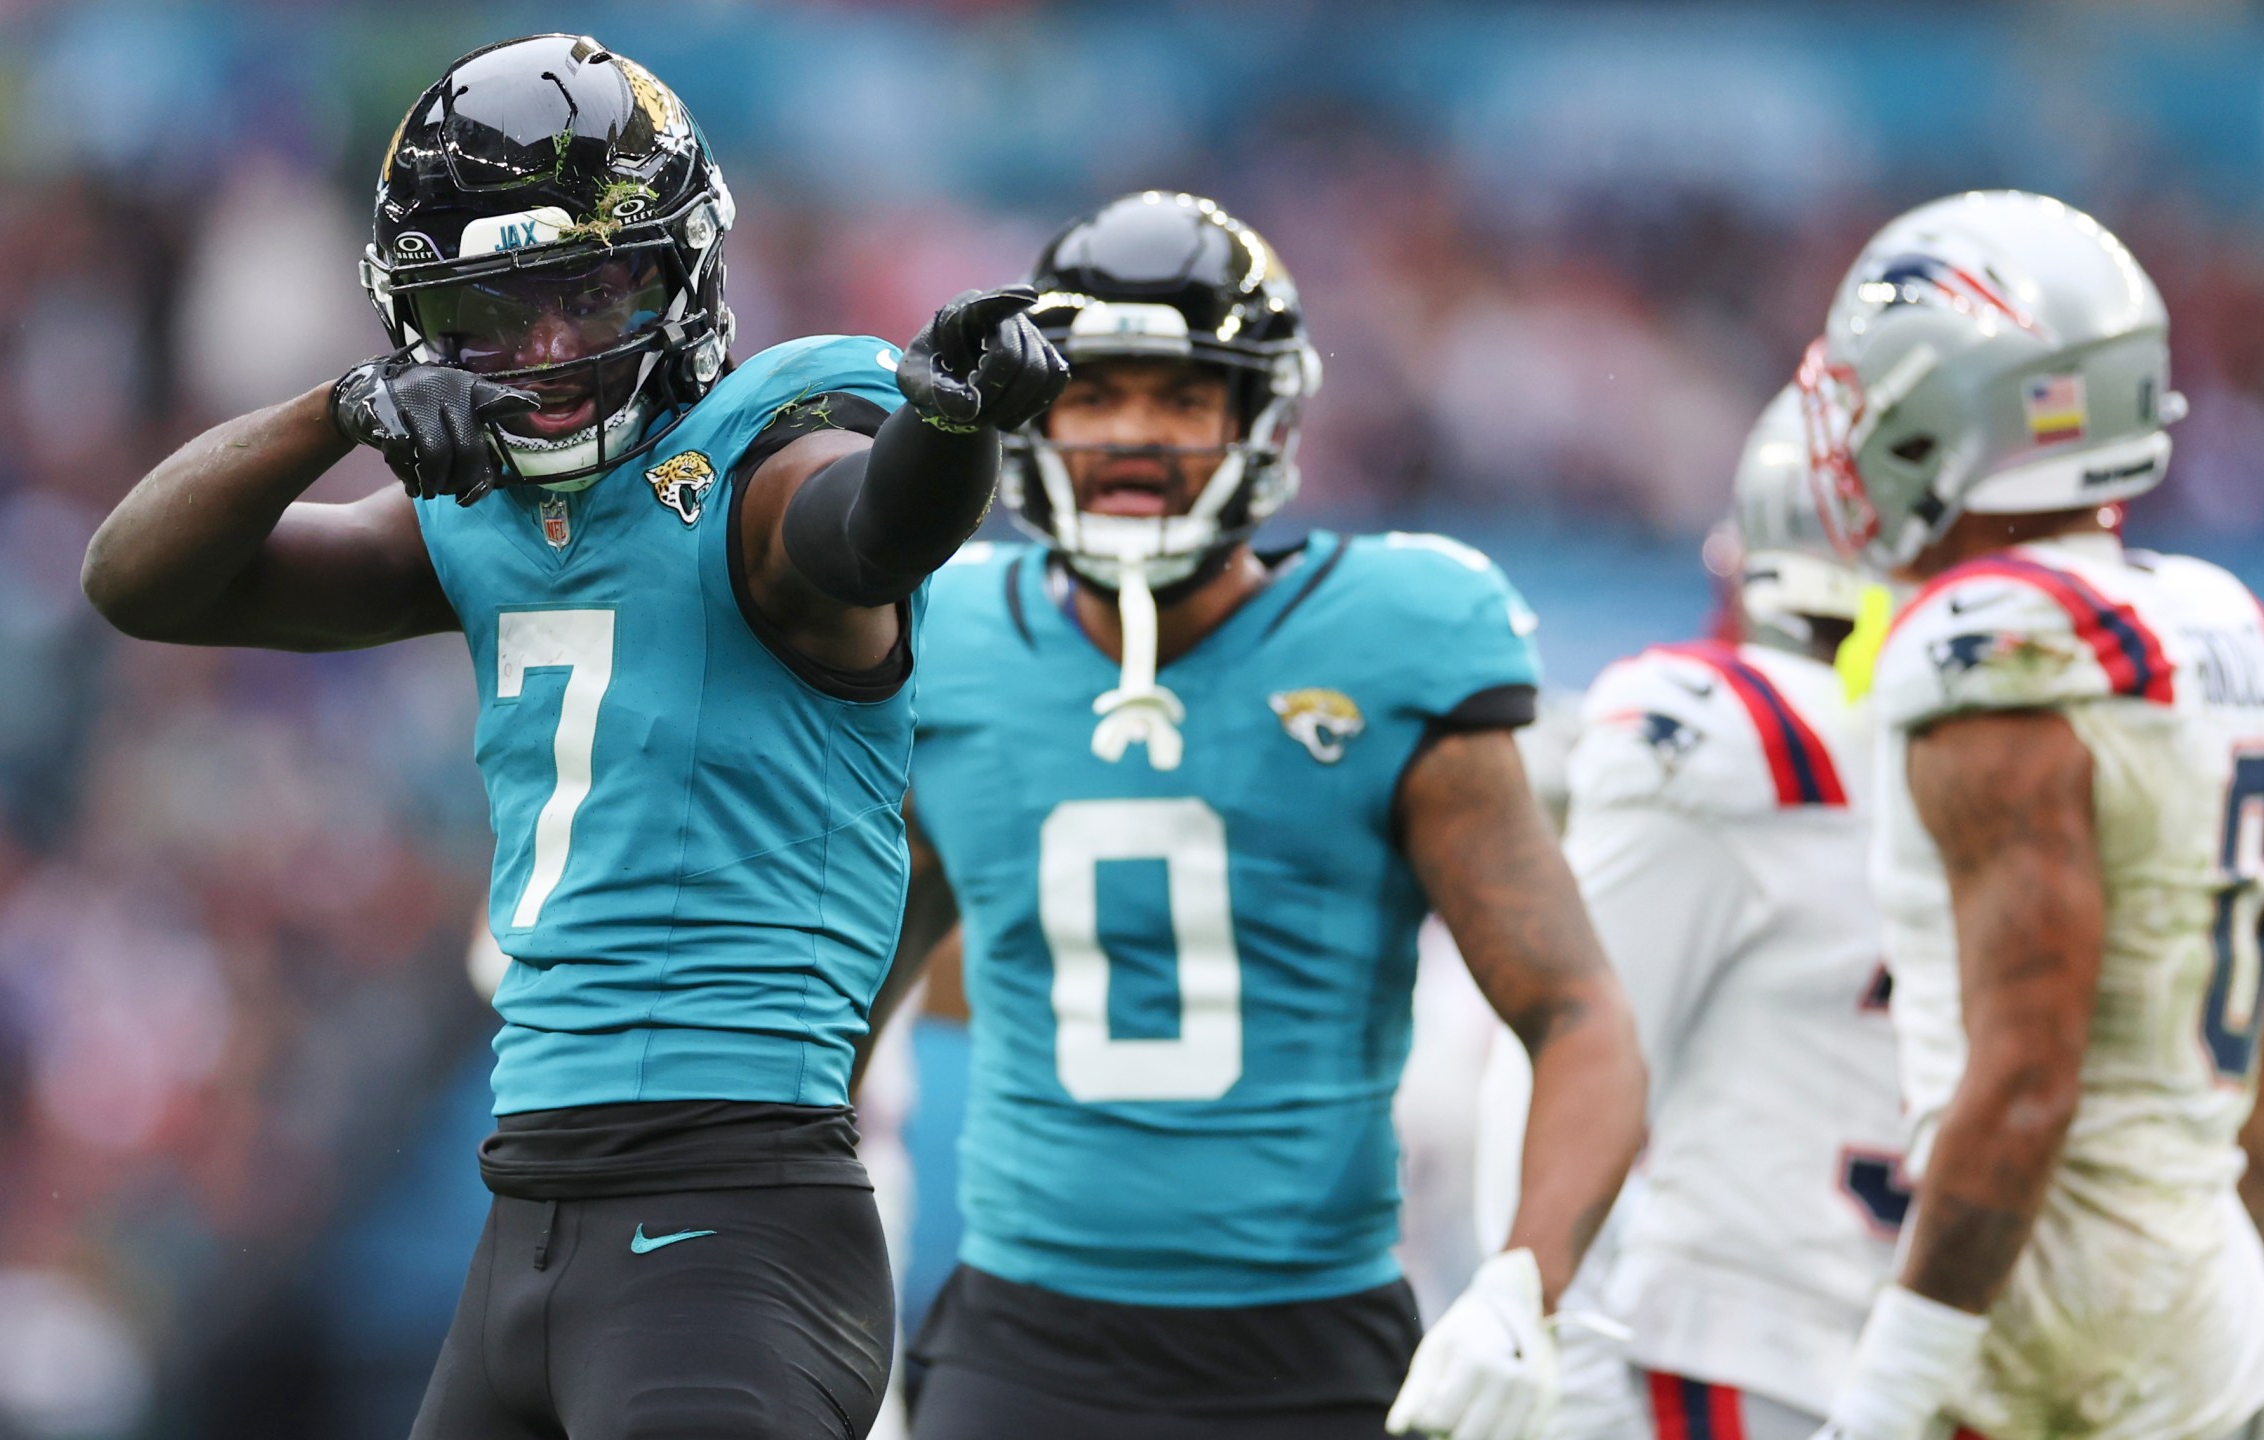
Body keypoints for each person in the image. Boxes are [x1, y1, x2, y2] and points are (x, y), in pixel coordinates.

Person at [79, 35, 1065, 1440]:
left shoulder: (752, 471)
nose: (546, 353)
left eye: (590, 292)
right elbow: (139, 581)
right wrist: (332, 413)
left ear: (680, 273)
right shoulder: (475, 525)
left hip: (730, 1216)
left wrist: (950, 428)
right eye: (492, 309)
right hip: (526, 1217)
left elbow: (870, 527)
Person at [873, 191, 1646, 1440]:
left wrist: (1522, 1286)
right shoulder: (948, 636)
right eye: (1095, 392)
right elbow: (837, 1011)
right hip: (1023, 1349)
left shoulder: (1394, 640)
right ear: (1031, 412)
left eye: (1181, 397)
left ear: (1260, 418)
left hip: (1313, 1348)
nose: (1133, 434)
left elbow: (1577, 1014)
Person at [1799, 191, 2264, 1440]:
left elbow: (2025, 1082)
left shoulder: (1998, 645)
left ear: (1953, 405)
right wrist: (2192, 1304)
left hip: (2052, 1357)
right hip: (2215, 1335)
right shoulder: (2206, 621)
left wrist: (1888, 1393)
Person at [1496, 392, 1903, 1440]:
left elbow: (1565, 1046)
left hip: (1747, 1346)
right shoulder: (2055, 745)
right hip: (1936, 1347)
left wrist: (1541, 1333)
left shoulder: (1732, 738)